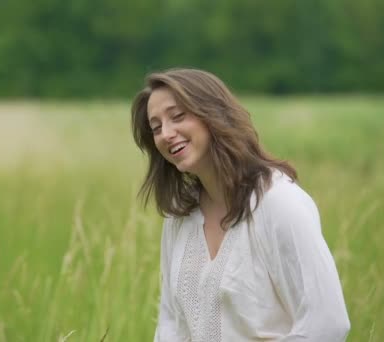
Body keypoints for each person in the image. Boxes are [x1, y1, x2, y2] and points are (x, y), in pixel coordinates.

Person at [130, 68, 350, 341]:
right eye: (156, 127)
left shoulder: (280, 203)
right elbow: (170, 323)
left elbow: (327, 323)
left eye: (178, 117)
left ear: (213, 114)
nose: (166, 133)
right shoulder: (179, 216)